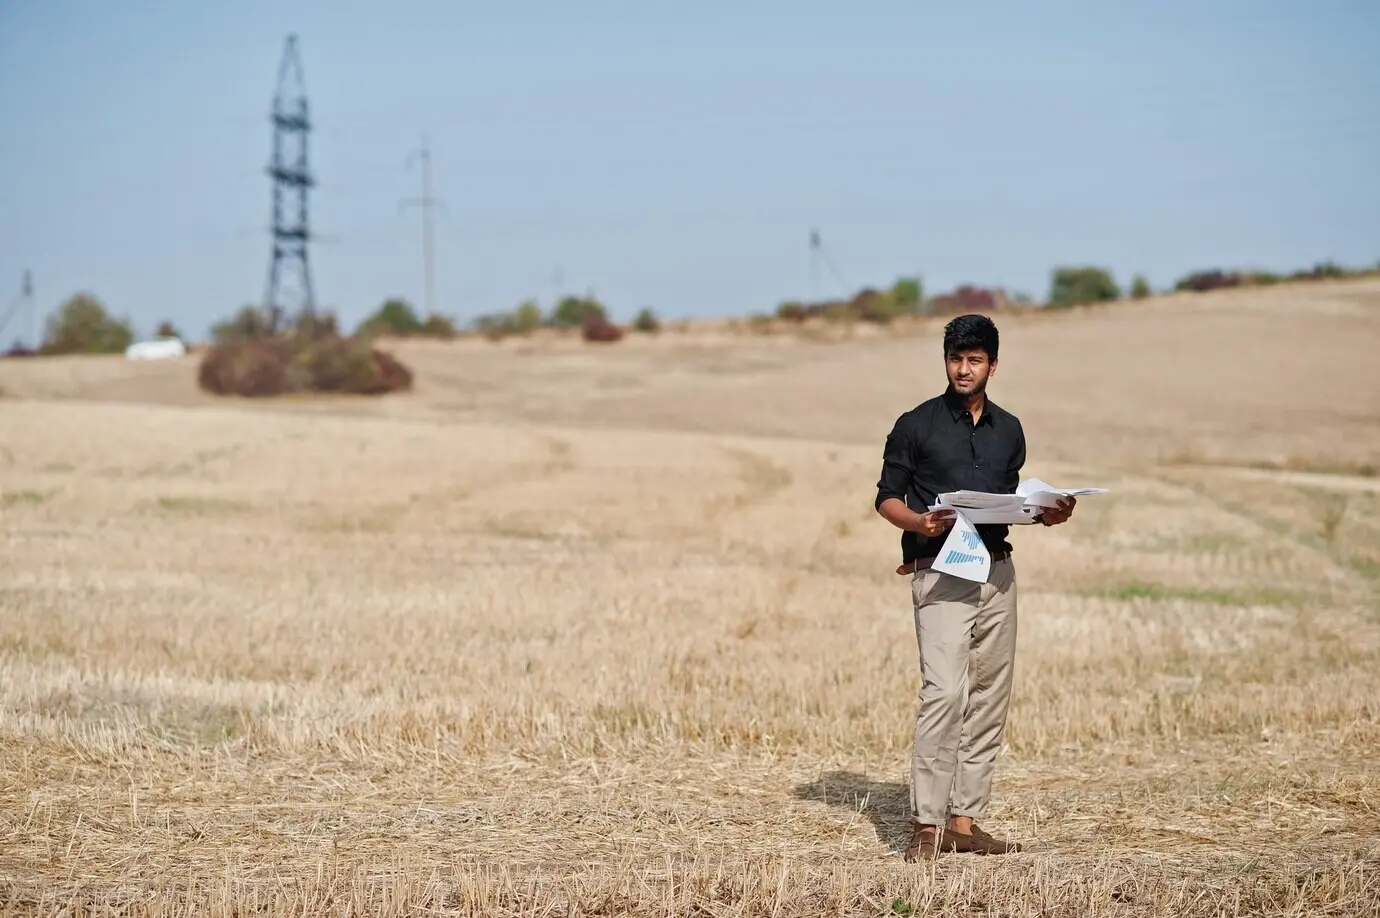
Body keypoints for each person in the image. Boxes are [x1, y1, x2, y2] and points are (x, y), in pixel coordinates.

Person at [873, 313, 1075, 862]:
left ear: (992, 364)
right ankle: (926, 824)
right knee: (943, 692)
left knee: (989, 696)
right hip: (939, 571)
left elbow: (1010, 503)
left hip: (996, 572)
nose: (964, 369)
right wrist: (919, 525)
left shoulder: (1010, 430)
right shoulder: (915, 424)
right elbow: (887, 497)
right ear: (945, 362)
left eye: (975, 360)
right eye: (956, 359)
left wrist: (1048, 513)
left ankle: (965, 821)